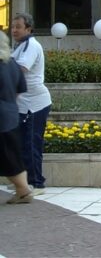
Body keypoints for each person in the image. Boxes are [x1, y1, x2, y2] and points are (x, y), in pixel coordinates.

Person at [11, 13, 51, 195]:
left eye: (18, 27)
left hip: (35, 104)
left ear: (28, 29)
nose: (14, 30)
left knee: (32, 144)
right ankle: (25, 182)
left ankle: (37, 183)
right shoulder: (19, 46)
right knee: (21, 144)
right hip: (23, 104)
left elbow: (21, 69)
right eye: (13, 27)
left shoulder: (31, 46)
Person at [0, 30, 32, 204]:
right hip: (11, 114)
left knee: (9, 157)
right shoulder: (12, 63)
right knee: (11, 155)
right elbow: (20, 89)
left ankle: (23, 190)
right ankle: (23, 191)